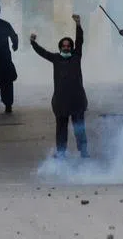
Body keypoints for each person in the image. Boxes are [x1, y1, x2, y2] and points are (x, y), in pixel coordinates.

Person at [31, 15, 88, 158]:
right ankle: (61, 152)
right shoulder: (56, 58)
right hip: (61, 101)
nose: (66, 47)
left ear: (72, 48)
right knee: (61, 128)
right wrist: (33, 43)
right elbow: (42, 53)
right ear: (60, 47)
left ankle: (84, 150)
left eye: (69, 46)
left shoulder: (76, 56)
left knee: (79, 127)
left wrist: (78, 25)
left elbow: (80, 41)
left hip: (77, 100)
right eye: (64, 46)